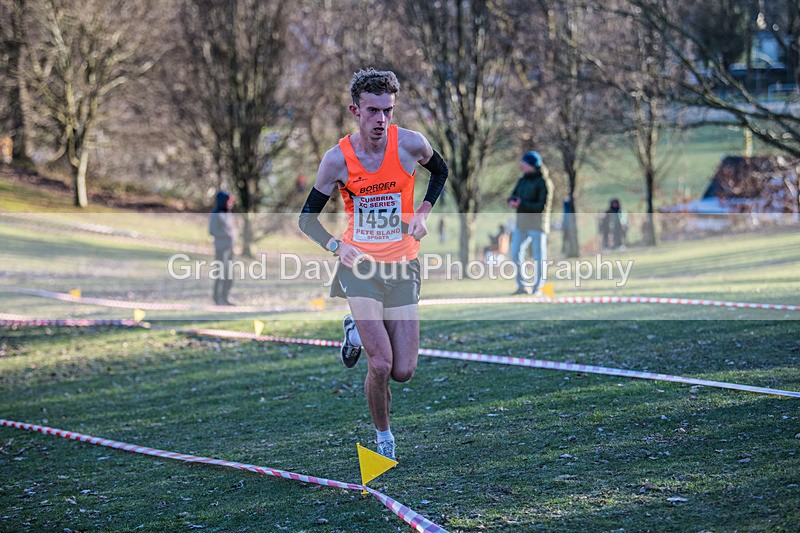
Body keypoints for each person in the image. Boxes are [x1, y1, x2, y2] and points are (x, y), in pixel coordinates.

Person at [298, 68, 448, 460]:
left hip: (403, 266)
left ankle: (352, 333)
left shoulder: (410, 145)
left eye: (388, 110)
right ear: (355, 110)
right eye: (373, 111)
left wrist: (424, 213)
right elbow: (306, 219)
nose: (381, 119)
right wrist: (335, 246)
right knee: (380, 364)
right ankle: (383, 438)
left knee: (403, 371)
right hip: (360, 267)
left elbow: (441, 172)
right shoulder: (337, 161)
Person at [507, 151, 553, 295]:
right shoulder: (522, 180)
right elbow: (513, 195)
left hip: (537, 224)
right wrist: (512, 201)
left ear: (533, 165)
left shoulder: (544, 182)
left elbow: (540, 206)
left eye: (524, 164)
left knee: (539, 257)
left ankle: (538, 287)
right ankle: (523, 286)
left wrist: (521, 204)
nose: (522, 166)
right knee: (515, 253)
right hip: (522, 224)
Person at [209, 190, 237, 305]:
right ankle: (217, 298)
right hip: (221, 249)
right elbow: (212, 230)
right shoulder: (216, 213)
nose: (230, 204)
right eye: (228, 201)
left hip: (230, 249)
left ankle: (226, 296)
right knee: (220, 274)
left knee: (229, 275)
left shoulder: (228, 214)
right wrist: (226, 235)